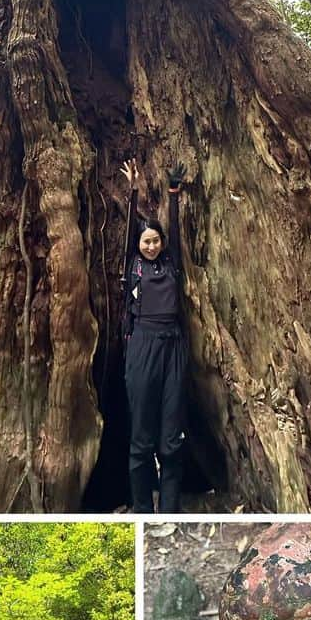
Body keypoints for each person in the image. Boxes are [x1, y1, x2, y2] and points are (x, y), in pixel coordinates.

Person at [119, 159, 189, 513]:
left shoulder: (172, 261)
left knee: (172, 437)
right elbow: (130, 227)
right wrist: (132, 190)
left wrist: (173, 193)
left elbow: (174, 230)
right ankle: (143, 510)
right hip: (142, 344)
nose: (151, 246)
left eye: (156, 241)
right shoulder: (132, 265)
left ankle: (171, 510)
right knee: (141, 438)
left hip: (173, 344)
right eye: (146, 241)